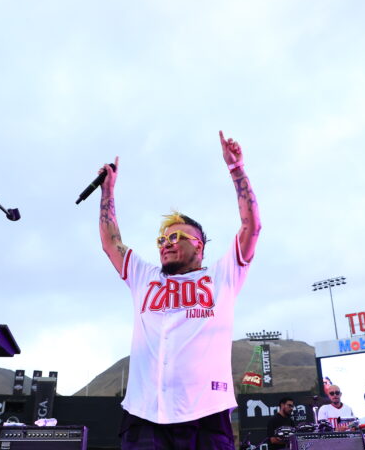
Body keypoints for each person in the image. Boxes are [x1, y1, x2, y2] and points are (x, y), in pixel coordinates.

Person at [98, 131, 261, 450]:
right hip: (144, 414)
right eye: (162, 239)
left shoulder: (223, 276)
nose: (166, 244)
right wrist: (108, 192)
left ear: (199, 246)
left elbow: (251, 227)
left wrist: (236, 169)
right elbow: (111, 241)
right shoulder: (144, 276)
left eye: (176, 238)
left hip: (205, 414)